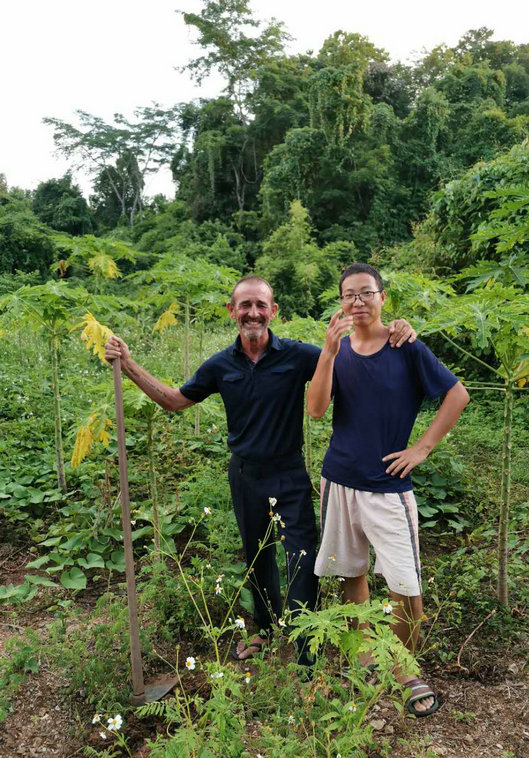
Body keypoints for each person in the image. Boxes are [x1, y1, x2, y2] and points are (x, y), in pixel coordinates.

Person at [104, 275, 416, 668]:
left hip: (289, 473)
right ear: (232, 311)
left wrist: (394, 330)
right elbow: (173, 400)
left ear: (273, 311)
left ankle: (305, 646)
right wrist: (128, 364)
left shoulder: (298, 355)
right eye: (245, 305)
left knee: (302, 558)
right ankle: (265, 629)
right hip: (245, 475)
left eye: (261, 305)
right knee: (257, 556)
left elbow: (349, 358)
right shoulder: (220, 365)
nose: (253, 313)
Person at [306, 263, 469, 714]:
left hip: (388, 486)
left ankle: (403, 667)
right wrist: (326, 353)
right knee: (351, 571)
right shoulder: (337, 351)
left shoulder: (406, 345)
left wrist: (422, 447)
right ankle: (363, 656)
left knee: (405, 584)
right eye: (349, 295)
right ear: (341, 302)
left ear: (382, 296)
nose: (357, 301)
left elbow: (457, 394)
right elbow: (315, 410)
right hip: (339, 479)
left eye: (366, 292)